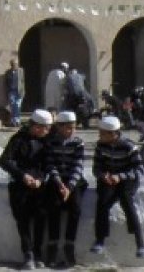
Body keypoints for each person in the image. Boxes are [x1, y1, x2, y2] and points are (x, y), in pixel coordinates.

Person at [0, 109, 52, 270]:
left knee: (40, 219)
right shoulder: (18, 140)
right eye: (42, 127)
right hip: (19, 186)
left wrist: (41, 179)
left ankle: (38, 254)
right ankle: (28, 254)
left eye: (47, 128)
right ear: (34, 126)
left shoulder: (47, 142)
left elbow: (49, 164)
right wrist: (23, 176)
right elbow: (5, 161)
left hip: (40, 186)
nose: (44, 131)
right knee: (23, 221)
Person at [90, 116, 144, 258]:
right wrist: (103, 176)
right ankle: (100, 239)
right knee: (102, 202)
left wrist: (120, 176)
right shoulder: (100, 146)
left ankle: (140, 243)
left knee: (126, 199)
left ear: (113, 134)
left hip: (127, 179)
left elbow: (140, 170)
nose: (99, 135)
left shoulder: (129, 146)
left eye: (102, 133)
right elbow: (96, 168)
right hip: (108, 180)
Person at [43, 111, 87, 267]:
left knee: (75, 208)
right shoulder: (51, 142)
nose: (71, 131)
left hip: (73, 181)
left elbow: (78, 166)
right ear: (59, 127)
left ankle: (69, 244)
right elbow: (50, 164)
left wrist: (69, 187)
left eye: (73, 127)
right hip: (57, 181)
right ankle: (53, 246)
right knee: (53, 206)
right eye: (68, 127)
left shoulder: (78, 143)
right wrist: (59, 183)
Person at [4, 59, 25, 127]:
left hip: (19, 91)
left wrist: (23, 92)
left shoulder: (21, 71)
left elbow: (23, 82)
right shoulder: (8, 72)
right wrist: (7, 90)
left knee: (17, 105)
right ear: (11, 65)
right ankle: (13, 120)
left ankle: (17, 120)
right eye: (13, 64)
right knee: (12, 105)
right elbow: (6, 82)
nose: (14, 65)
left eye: (15, 64)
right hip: (11, 91)